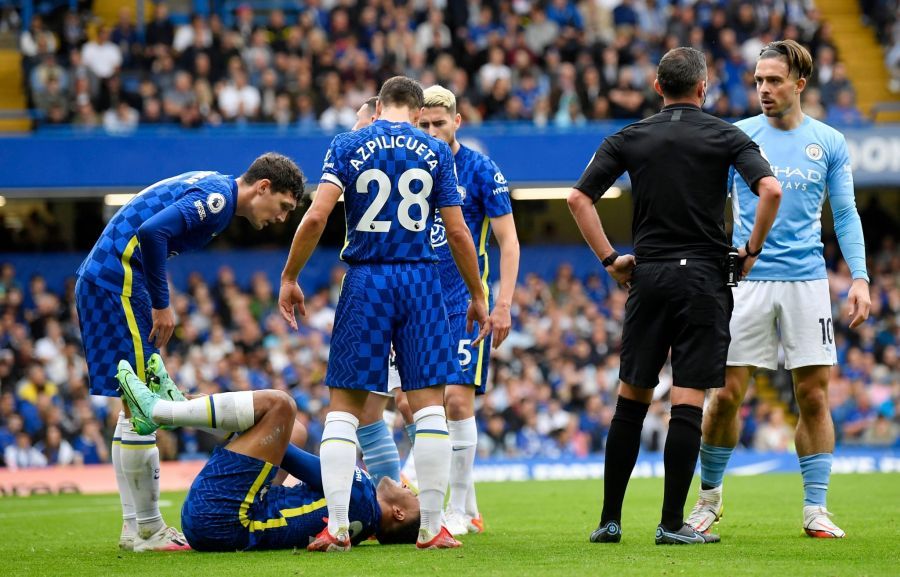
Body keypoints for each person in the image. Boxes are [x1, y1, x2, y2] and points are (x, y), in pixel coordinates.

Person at [567, 46, 782, 545]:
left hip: (650, 276)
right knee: (686, 400)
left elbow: (577, 197)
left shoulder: (630, 136)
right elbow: (769, 189)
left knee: (631, 399)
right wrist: (749, 251)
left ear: (658, 87)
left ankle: (609, 521)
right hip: (704, 279)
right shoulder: (728, 135)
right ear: (703, 89)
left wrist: (609, 260)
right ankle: (670, 524)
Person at [278, 76, 490, 551]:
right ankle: (432, 526)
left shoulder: (349, 145)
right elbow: (457, 233)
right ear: (418, 111)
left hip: (367, 279)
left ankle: (336, 527)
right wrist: (478, 294)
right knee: (429, 404)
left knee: (345, 408)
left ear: (378, 108)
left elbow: (315, 216)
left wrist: (290, 276)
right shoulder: (435, 151)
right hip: (421, 280)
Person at [687, 40, 871, 540]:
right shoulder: (737, 136)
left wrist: (859, 276)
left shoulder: (828, 141)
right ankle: (708, 502)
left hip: (807, 282)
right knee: (724, 397)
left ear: (799, 84)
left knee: (813, 396)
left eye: (773, 80)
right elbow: (705, 204)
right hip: (746, 280)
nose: (764, 89)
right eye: (758, 81)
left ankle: (816, 508)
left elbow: (847, 213)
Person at [75, 153, 305, 552]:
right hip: (118, 284)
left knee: (131, 405)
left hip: (108, 282)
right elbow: (151, 233)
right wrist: (162, 304)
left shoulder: (214, 187)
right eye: (283, 207)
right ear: (263, 187)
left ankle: (136, 528)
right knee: (139, 406)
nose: (282, 218)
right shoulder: (218, 201)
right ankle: (146, 529)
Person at [114, 361, 421, 551]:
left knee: (281, 407)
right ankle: (180, 406)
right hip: (222, 524)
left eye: (412, 495)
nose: (408, 487)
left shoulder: (361, 493)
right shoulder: (362, 524)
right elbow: (282, 446)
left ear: (398, 514)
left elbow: (287, 455)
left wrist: (248, 426)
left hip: (222, 518)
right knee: (295, 430)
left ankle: (163, 412)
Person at [416, 84, 520, 535]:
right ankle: (467, 502)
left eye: (440, 123)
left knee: (457, 400)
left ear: (457, 121)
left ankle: (456, 509)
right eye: (424, 124)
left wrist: (502, 303)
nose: (433, 131)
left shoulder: (479, 169)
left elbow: (508, 240)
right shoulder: (409, 167)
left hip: (463, 300)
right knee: (414, 405)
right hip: (416, 297)